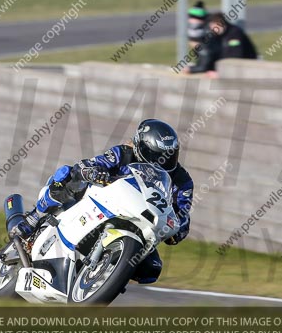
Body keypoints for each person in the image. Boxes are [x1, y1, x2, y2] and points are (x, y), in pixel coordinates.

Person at [10, 119, 194, 285]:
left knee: (151, 269)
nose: (162, 162)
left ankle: (107, 275)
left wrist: (178, 229)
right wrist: (93, 171)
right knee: (67, 175)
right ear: (141, 147)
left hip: (142, 222)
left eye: (170, 155)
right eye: (155, 155)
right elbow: (90, 164)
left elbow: (182, 215)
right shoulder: (123, 153)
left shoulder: (183, 181)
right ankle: (34, 218)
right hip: (104, 199)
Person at [182, 12, 258, 77]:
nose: (213, 29)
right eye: (211, 26)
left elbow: (235, 57)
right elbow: (211, 54)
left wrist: (221, 73)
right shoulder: (217, 35)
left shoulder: (234, 34)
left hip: (245, 68)